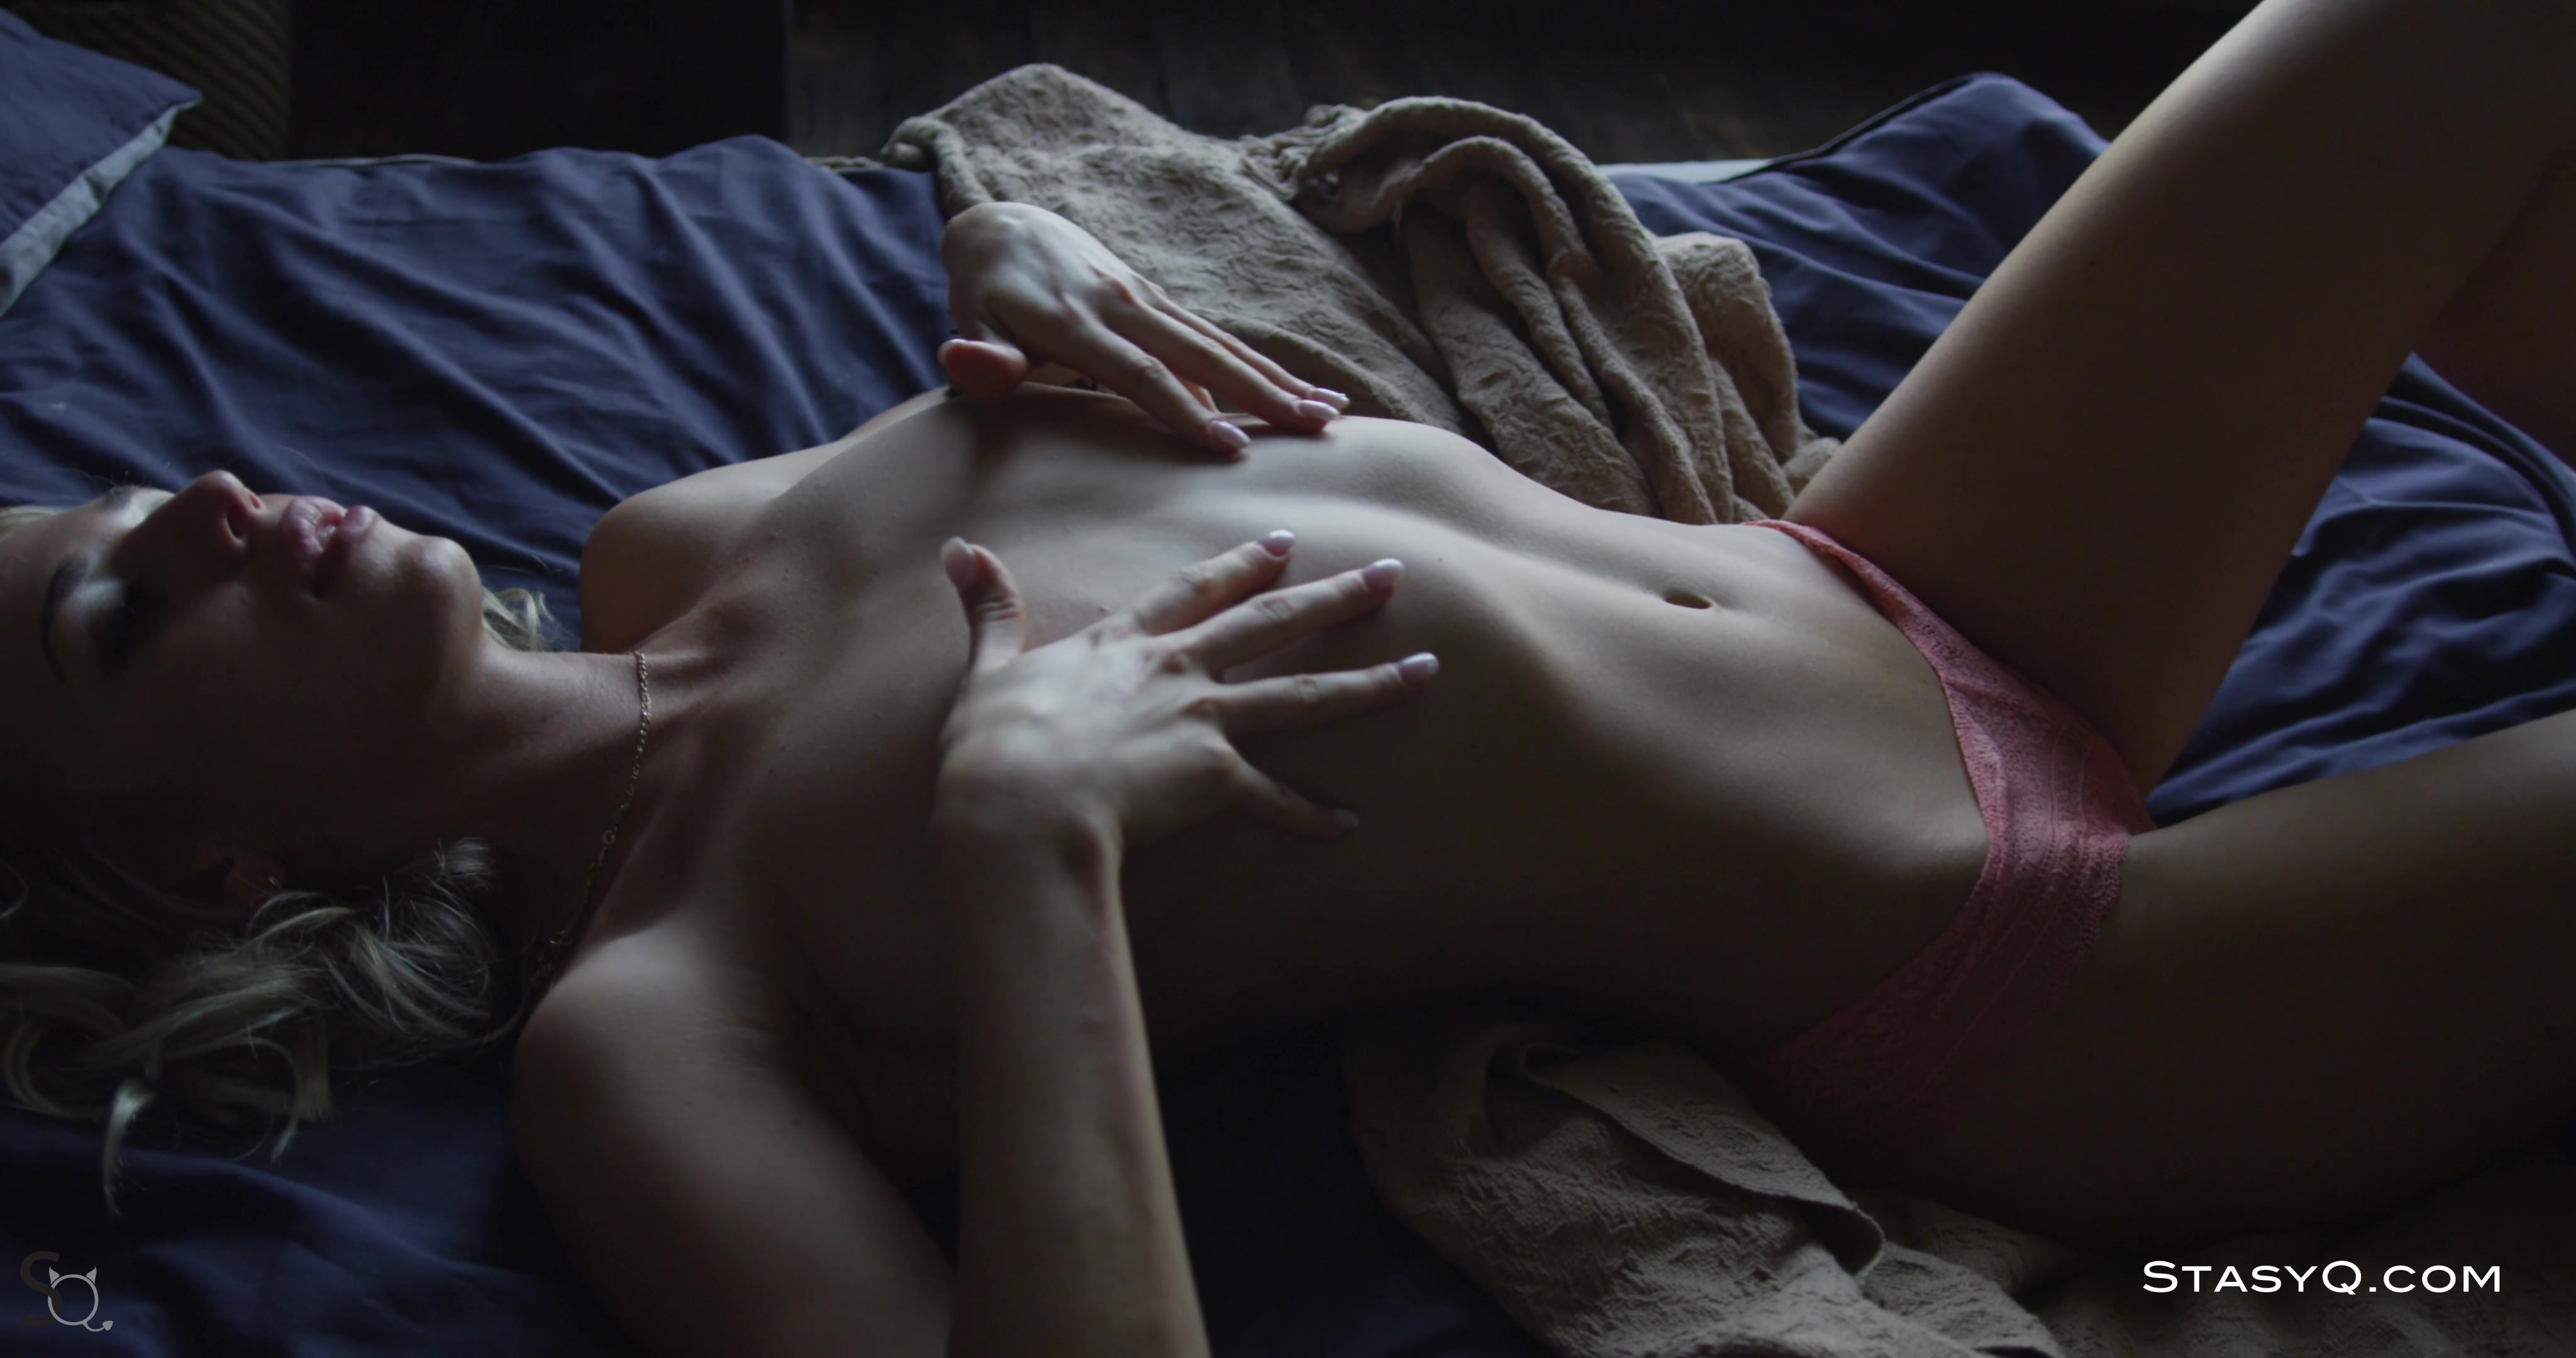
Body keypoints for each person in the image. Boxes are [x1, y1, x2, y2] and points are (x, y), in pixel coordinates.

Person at [2, 0, 2572, 1352]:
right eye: (129, 609)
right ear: (207, 866)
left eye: (141, 496)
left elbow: (1133, 427)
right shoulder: (650, 1026)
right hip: (2019, 971)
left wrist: (1007, 248)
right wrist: (1033, 840)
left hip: (1893, 576)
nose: (213, 501)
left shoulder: (671, 538)